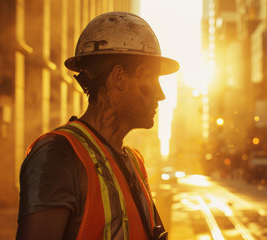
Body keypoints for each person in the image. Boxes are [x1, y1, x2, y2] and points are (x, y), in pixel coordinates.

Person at [16, 11, 179, 240]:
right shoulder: (58, 154)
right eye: (150, 78)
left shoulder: (134, 160)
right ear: (120, 78)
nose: (161, 95)